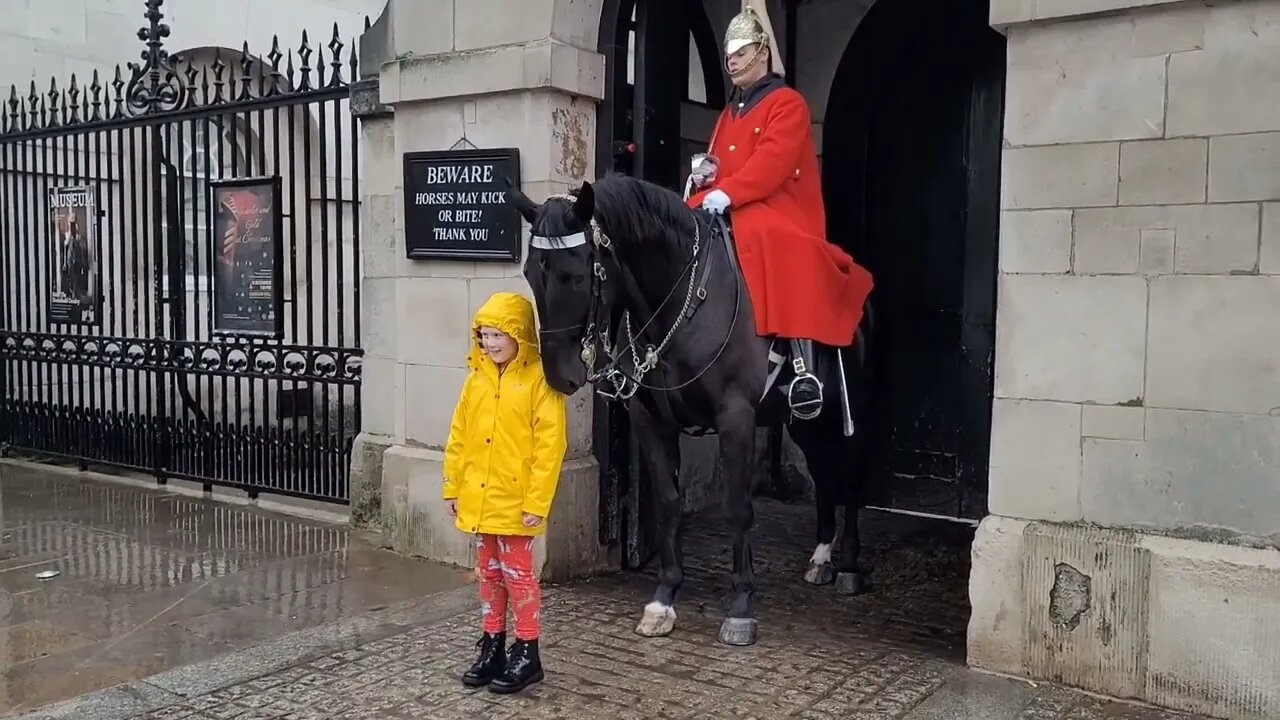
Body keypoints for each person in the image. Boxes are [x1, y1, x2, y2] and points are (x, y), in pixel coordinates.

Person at [686, 0, 874, 421]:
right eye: (728, 55)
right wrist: (707, 178)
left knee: (767, 238)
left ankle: (800, 366)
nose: (731, 62)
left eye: (740, 53)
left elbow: (772, 164)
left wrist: (729, 192)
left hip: (780, 209)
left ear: (761, 52)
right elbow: (722, 159)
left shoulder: (787, 103)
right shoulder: (729, 112)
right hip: (733, 201)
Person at [442, 291, 569, 694]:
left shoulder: (540, 382)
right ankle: (493, 642)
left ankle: (527, 649)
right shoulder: (476, 380)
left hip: (515, 501)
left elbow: (551, 447)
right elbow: (459, 437)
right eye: (485, 335)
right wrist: (453, 485)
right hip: (481, 497)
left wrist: (537, 501)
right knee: (490, 574)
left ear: (521, 336)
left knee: (519, 577)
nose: (491, 343)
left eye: (500, 334)